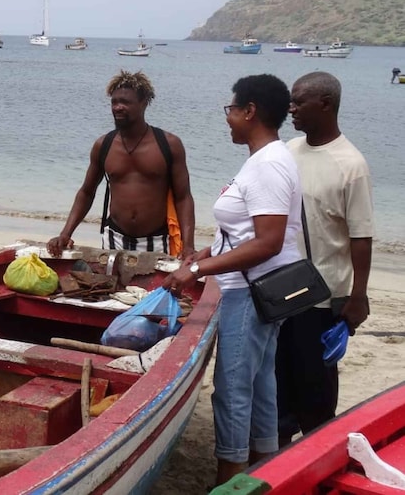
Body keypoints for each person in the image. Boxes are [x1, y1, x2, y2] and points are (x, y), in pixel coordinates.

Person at [161, 74, 301, 487]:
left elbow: (269, 241)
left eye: (231, 110)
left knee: (233, 391)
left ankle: (231, 480)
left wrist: (198, 270)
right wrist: (206, 252)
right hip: (258, 287)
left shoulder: (269, 164)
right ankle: (264, 471)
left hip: (251, 292)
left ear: (250, 111)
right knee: (260, 385)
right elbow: (244, 233)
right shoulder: (264, 158)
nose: (228, 119)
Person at [278, 71, 374, 445]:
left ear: (326, 104)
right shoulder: (288, 151)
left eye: (299, 101)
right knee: (278, 384)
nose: (291, 109)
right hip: (281, 289)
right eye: (290, 100)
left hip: (321, 297)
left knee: (315, 391)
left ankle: (316, 457)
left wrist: (358, 296)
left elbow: (360, 236)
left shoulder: (351, 164)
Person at [47, 70, 195, 257]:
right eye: (114, 102)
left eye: (125, 102)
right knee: (110, 287)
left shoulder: (169, 144)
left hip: (156, 241)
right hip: (113, 238)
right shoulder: (104, 145)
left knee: (154, 287)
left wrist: (188, 245)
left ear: (144, 103)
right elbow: (86, 192)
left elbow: (183, 197)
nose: (117, 107)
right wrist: (65, 233)